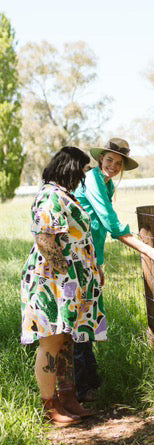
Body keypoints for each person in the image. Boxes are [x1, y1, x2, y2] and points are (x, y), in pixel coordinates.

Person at [70, 137, 154, 402]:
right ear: (101, 158)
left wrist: (99, 263)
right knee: (80, 318)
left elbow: (98, 227)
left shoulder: (106, 183)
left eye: (118, 163)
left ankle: (90, 380)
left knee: (87, 317)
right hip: (75, 256)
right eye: (109, 159)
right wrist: (146, 249)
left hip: (90, 255)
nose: (112, 165)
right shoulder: (92, 180)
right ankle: (80, 388)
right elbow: (110, 223)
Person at [21, 147, 105, 425]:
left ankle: (68, 398)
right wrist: (67, 279)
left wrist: (90, 272)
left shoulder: (62, 195)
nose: (83, 176)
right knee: (52, 342)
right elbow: (45, 240)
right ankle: (50, 405)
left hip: (68, 282)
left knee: (66, 342)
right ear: (69, 168)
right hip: (53, 283)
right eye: (82, 169)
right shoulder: (50, 196)